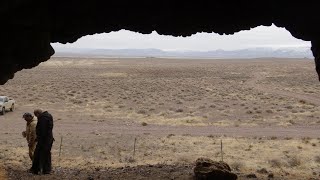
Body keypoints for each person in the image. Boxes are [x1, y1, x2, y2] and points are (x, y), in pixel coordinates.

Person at [29, 109, 54, 175]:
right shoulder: (48, 116)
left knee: (38, 155)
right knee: (46, 154)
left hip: (44, 140)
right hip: (48, 139)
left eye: (36, 115)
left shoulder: (43, 118)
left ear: (38, 114)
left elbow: (43, 130)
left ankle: (36, 170)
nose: (36, 117)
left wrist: (39, 139)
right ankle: (46, 170)